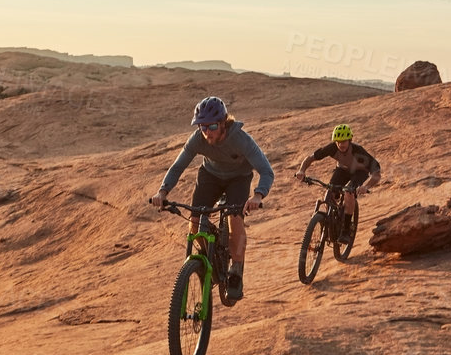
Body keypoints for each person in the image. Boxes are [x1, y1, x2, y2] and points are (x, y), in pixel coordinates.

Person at [151, 97, 274, 303]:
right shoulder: (197, 139)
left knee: (235, 219)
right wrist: (163, 192)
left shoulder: (241, 140)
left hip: (238, 178)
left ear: (224, 123)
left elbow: (266, 171)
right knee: (195, 222)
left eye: (212, 126)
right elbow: (178, 166)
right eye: (202, 126)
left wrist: (258, 195)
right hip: (210, 176)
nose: (206, 131)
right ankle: (205, 261)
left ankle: (235, 271)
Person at [295, 123, 381, 228]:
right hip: (342, 170)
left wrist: (366, 186)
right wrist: (302, 170)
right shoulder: (332, 148)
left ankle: (346, 228)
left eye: (343, 141)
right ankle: (333, 220)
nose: (341, 145)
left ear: (350, 140)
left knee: (349, 193)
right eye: (338, 142)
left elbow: (376, 173)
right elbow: (311, 158)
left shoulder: (359, 151)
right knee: (329, 193)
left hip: (359, 172)